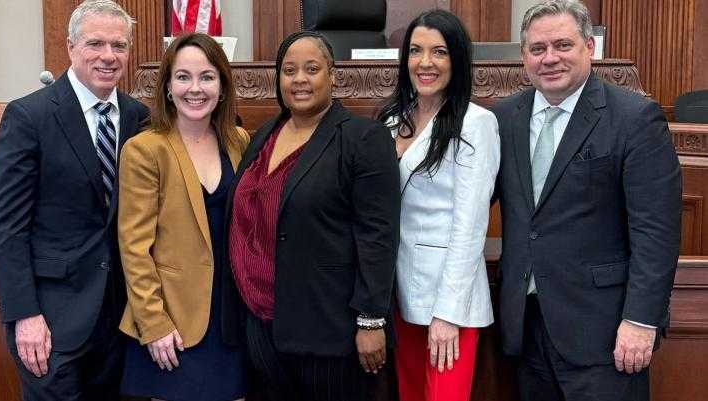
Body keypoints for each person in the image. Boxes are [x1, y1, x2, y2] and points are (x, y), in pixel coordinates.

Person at [492, 1, 682, 400]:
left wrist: (641, 320)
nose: (550, 58)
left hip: (605, 334)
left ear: (589, 48)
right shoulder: (503, 117)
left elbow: (656, 233)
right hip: (525, 328)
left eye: (563, 45)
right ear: (523, 56)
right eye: (538, 48)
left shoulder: (635, 118)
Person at [228, 31, 400, 401]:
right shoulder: (263, 136)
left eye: (311, 69)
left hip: (327, 330)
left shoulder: (363, 139)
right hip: (261, 324)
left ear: (332, 75)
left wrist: (371, 320)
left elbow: (378, 236)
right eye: (289, 70)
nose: (299, 79)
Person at [0, 1, 149, 400]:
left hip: (122, 324)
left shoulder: (138, 118)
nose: (108, 57)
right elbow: (6, 228)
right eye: (95, 43)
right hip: (51, 323)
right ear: (70, 47)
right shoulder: (30, 116)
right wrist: (24, 315)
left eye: (119, 45)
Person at [116, 32, 250, 401]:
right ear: (168, 86)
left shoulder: (238, 140)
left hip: (231, 320)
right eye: (183, 77)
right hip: (172, 322)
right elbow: (134, 248)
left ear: (222, 86)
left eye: (207, 76)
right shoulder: (145, 149)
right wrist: (154, 323)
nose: (195, 88)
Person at [376, 9, 500, 401]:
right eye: (415, 51)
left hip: (448, 302)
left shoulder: (475, 122)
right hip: (399, 291)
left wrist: (448, 313)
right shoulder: (392, 119)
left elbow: (470, 225)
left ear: (457, 60)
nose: (424, 63)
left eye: (439, 52)